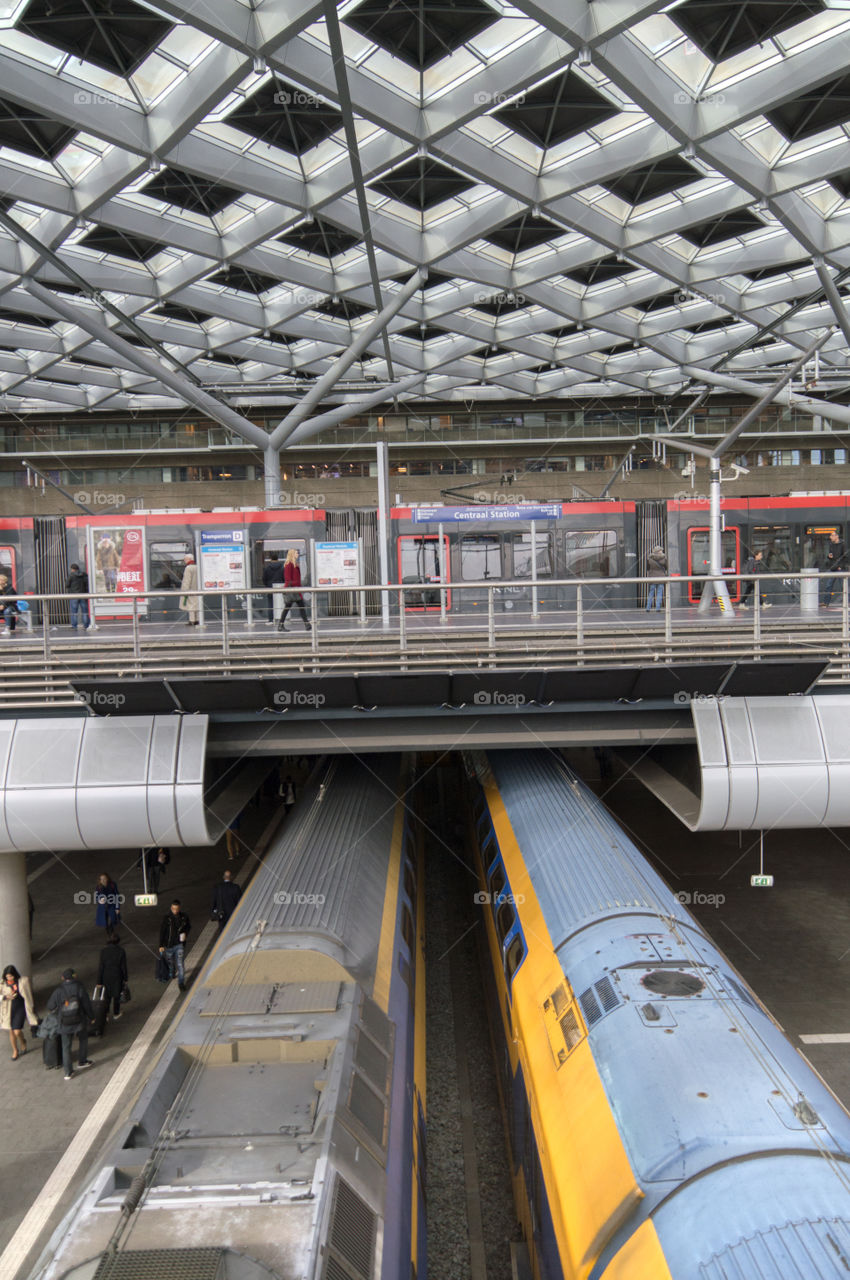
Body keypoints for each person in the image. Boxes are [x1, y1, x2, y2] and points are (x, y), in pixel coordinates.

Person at [46, 967, 93, 1080]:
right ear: (74, 976)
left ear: (63, 978)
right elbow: (86, 1004)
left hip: (64, 1023)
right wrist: (91, 1017)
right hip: (79, 1020)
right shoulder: (79, 987)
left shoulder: (58, 990)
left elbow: (50, 1006)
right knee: (83, 1040)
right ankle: (82, 1061)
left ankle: (68, 1072)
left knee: (66, 1047)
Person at [0, 964, 38, 1060]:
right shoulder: (2, 983)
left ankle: (22, 1041)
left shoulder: (22, 981)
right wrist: (5, 997)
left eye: (11, 976)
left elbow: (28, 996)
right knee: (11, 1031)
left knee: (17, 1031)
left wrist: (31, 1009)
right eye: (7, 976)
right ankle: (15, 1050)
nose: (9, 978)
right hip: (8, 1009)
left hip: (20, 1008)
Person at [159, 900, 191, 992]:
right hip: (169, 946)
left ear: (179, 908)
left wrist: (185, 933)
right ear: (171, 908)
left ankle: (181, 983)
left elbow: (188, 926)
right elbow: (162, 931)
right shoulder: (167, 918)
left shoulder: (184, 917)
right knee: (171, 962)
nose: (175, 911)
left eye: (176, 909)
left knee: (180, 964)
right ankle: (172, 971)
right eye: (173, 909)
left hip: (179, 944)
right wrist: (161, 945)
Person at [97, 933, 128, 1022]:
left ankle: (106, 1014)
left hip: (106, 976)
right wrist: (125, 979)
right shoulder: (121, 951)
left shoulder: (103, 951)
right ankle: (116, 1013)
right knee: (117, 996)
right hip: (117, 976)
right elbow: (123, 967)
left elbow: (101, 967)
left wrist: (99, 981)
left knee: (106, 997)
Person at [278, 548, 311, 631]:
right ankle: (306, 624)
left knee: (296, 606)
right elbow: (288, 579)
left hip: (295, 589)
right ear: (292, 554)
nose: (298, 554)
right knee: (291, 607)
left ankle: (306, 624)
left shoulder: (294, 564)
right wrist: (298, 584)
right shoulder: (289, 564)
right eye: (296, 553)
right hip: (292, 590)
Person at [821, 529, 846, 607]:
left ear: (837, 536)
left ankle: (847, 602)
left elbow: (845, 557)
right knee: (828, 585)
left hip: (839, 569)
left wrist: (840, 566)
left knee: (843, 586)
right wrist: (829, 557)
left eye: (832, 535)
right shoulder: (831, 545)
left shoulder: (843, 544)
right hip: (833, 568)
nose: (830, 537)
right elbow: (830, 556)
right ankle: (826, 602)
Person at [211, 869, 242, 934]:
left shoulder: (217, 888)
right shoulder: (236, 887)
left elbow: (214, 901)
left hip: (221, 914)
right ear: (231, 877)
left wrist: (213, 911)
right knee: (234, 931)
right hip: (233, 914)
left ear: (223, 877)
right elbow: (240, 902)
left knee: (223, 932)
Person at [65, 562, 90, 632]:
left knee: (74, 612)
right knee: (85, 611)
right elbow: (87, 584)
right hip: (83, 595)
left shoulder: (71, 575)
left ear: (73, 569)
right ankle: (86, 625)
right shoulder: (84, 575)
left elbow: (67, 585)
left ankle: (74, 626)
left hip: (74, 596)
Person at [262, 551, 285, 624]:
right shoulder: (282, 567)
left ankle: (271, 620)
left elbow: (264, 578)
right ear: (278, 558)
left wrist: (267, 585)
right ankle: (282, 619)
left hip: (270, 587)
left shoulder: (267, 568)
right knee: (282, 603)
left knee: (270, 604)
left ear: (270, 558)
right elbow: (285, 577)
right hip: (281, 587)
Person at [645, 545, 667, 611]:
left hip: (652, 578)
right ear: (659, 551)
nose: (662, 551)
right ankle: (658, 608)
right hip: (661, 578)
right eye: (661, 550)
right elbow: (666, 567)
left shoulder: (650, 558)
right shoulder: (664, 558)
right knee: (659, 593)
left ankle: (648, 608)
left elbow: (648, 568)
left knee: (651, 593)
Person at [180, 555, 199, 626]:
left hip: (190, 589)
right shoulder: (197, 567)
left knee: (191, 606)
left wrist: (185, 590)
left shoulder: (188, 568)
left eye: (185, 559)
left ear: (189, 559)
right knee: (197, 605)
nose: (184, 560)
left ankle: (192, 620)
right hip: (198, 590)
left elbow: (186, 580)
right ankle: (197, 619)